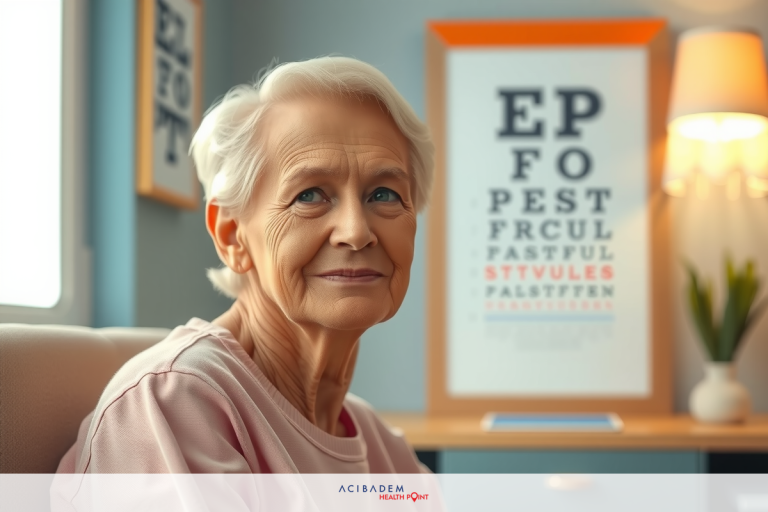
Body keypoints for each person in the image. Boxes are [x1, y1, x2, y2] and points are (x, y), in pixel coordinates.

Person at [56, 56, 434, 474]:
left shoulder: (381, 445)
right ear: (232, 234)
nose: (356, 232)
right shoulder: (175, 403)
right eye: (309, 195)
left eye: (384, 195)